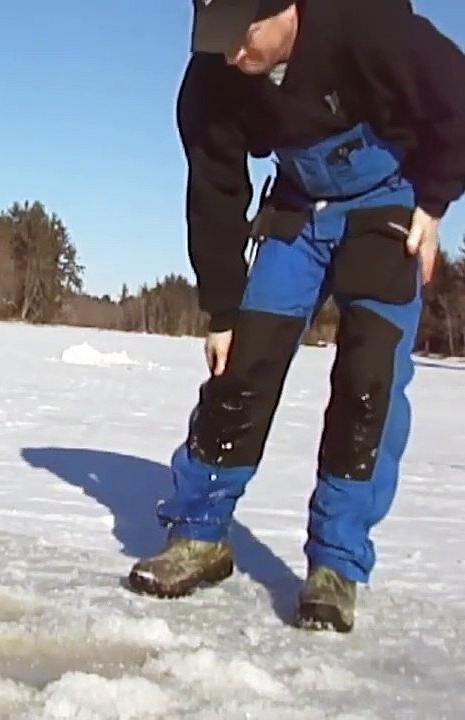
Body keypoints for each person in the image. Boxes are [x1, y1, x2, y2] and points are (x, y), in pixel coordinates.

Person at [127, 0, 465, 633]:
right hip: (297, 204)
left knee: (370, 380)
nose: (231, 54)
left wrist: (436, 199)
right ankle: (200, 533)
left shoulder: (369, 23)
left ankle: (336, 565)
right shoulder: (213, 75)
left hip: (386, 196)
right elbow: (215, 186)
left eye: (243, 35)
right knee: (243, 364)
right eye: (216, 39)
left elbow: (457, 93)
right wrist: (222, 309)